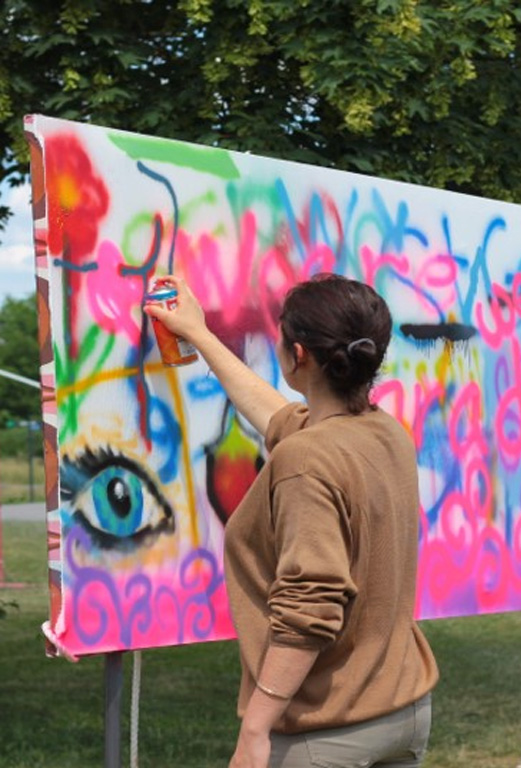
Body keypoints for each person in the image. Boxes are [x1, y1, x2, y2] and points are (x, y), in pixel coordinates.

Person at [145, 273, 439, 768]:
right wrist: (198, 334)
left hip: (325, 731)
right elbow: (278, 417)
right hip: (402, 711)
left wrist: (256, 729)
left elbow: (311, 606)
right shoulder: (384, 432)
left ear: (296, 354)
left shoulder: (307, 458)